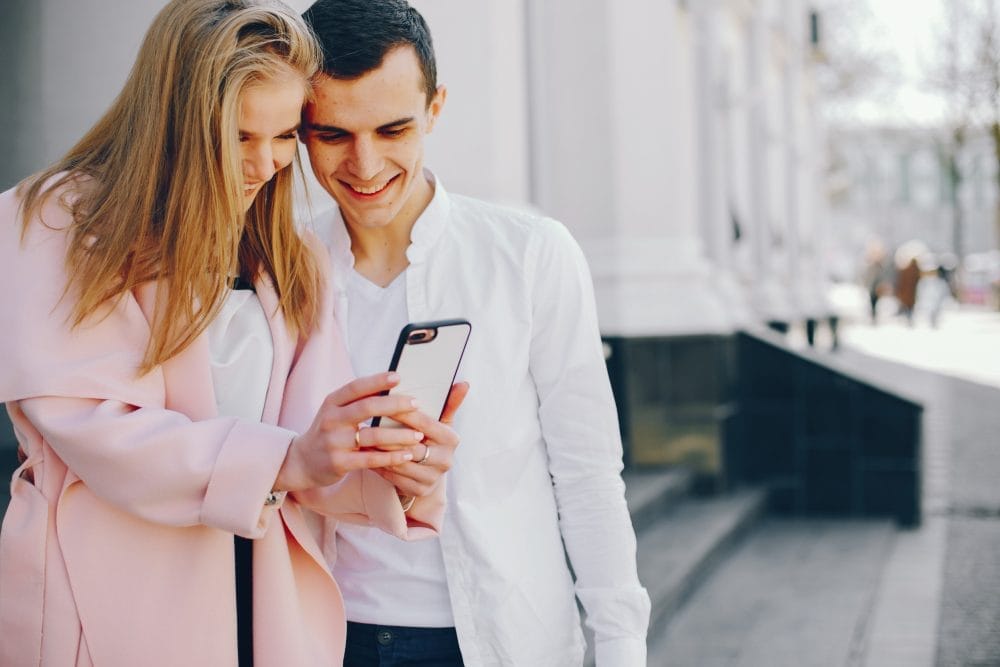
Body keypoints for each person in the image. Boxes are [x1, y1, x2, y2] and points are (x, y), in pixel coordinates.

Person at [0, 1, 464, 665]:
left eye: (284, 136)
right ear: (174, 120)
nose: (266, 163)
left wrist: (392, 470)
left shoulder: (290, 254)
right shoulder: (56, 220)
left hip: (265, 599)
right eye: (239, 136)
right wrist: (286, 461)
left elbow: (310, 449)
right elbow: (94, 426)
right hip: (108, 598)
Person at [300, 1, 651, 664]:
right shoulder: (280, 271)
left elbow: (587, 470)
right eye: (334, 135)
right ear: (300, 131)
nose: (365, 165)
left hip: (504, 638)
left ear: (435, 108)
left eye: (393, 129)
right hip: (326, 637)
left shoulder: (531, 253)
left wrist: (621, 644)